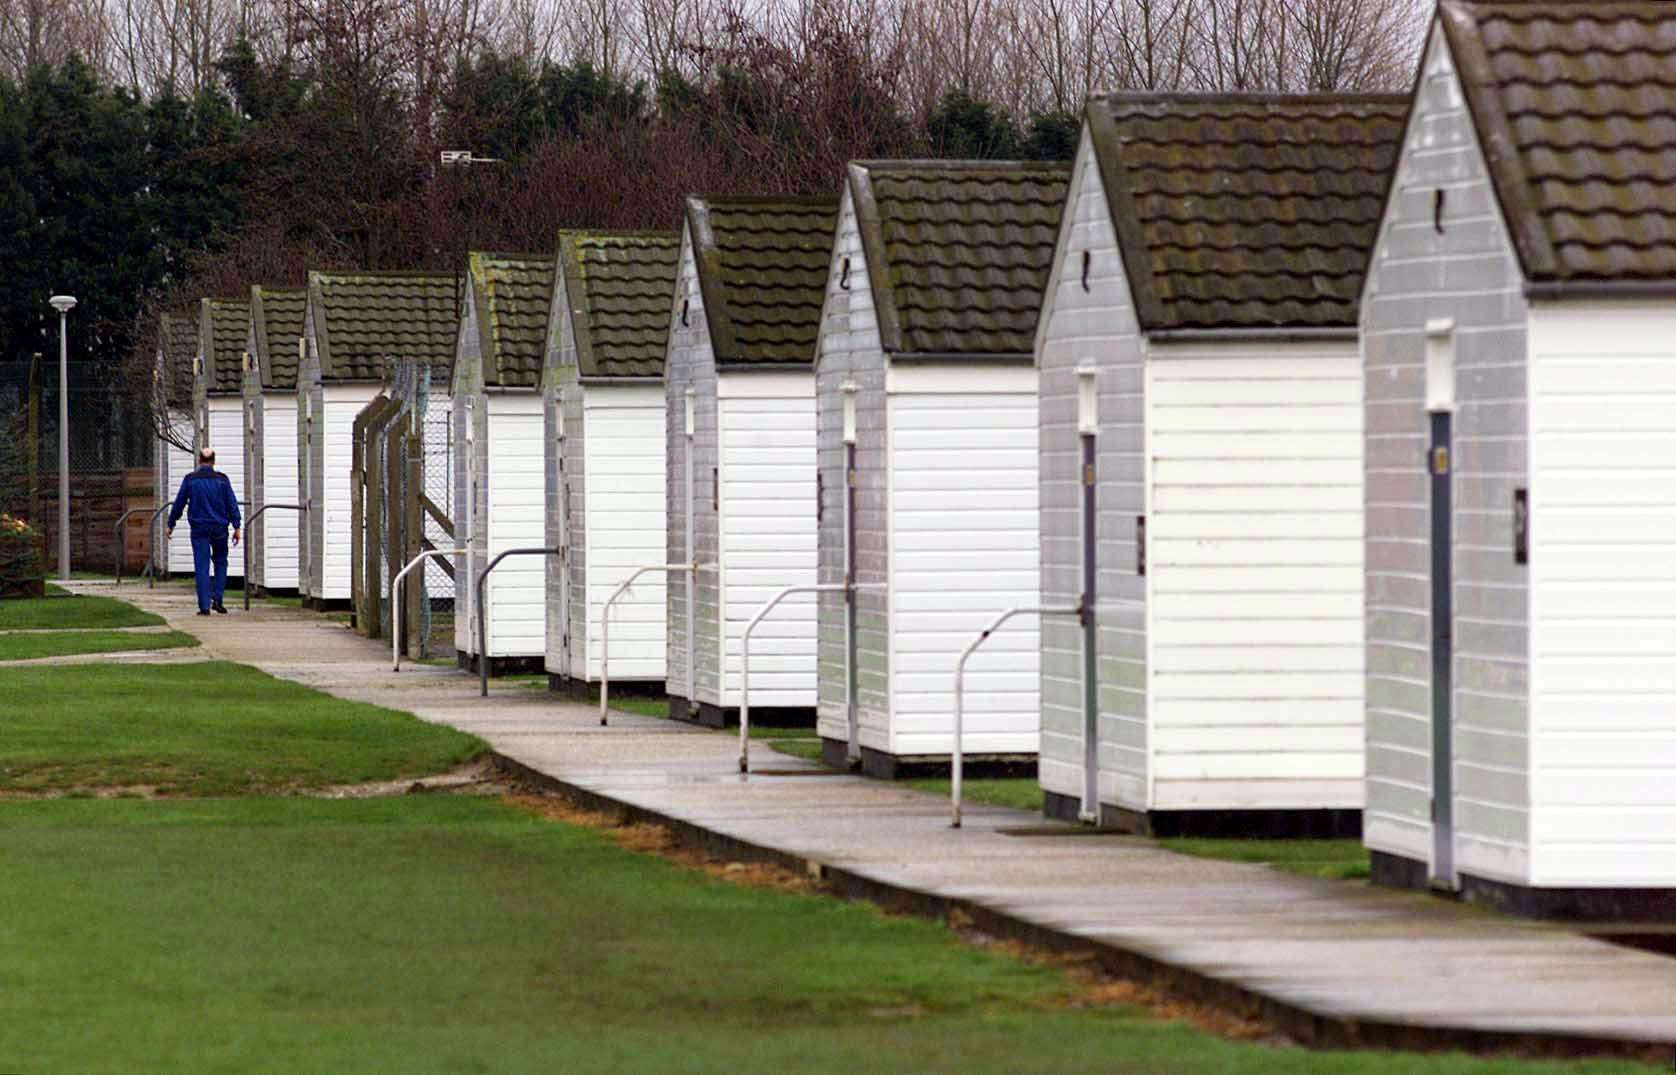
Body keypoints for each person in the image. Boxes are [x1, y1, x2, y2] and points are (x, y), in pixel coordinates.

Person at [166, 448, 241, 616]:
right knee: (221, 561)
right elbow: (231, 503)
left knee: (202, 565)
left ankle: (204, 606)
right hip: (220, 527)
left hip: (199, 528)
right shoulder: (222, 480)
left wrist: (171, 523)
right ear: (214, 461)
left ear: (199, 461)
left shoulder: (191, 480)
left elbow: (179, 503)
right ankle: (218, 599)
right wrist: (237, 526)